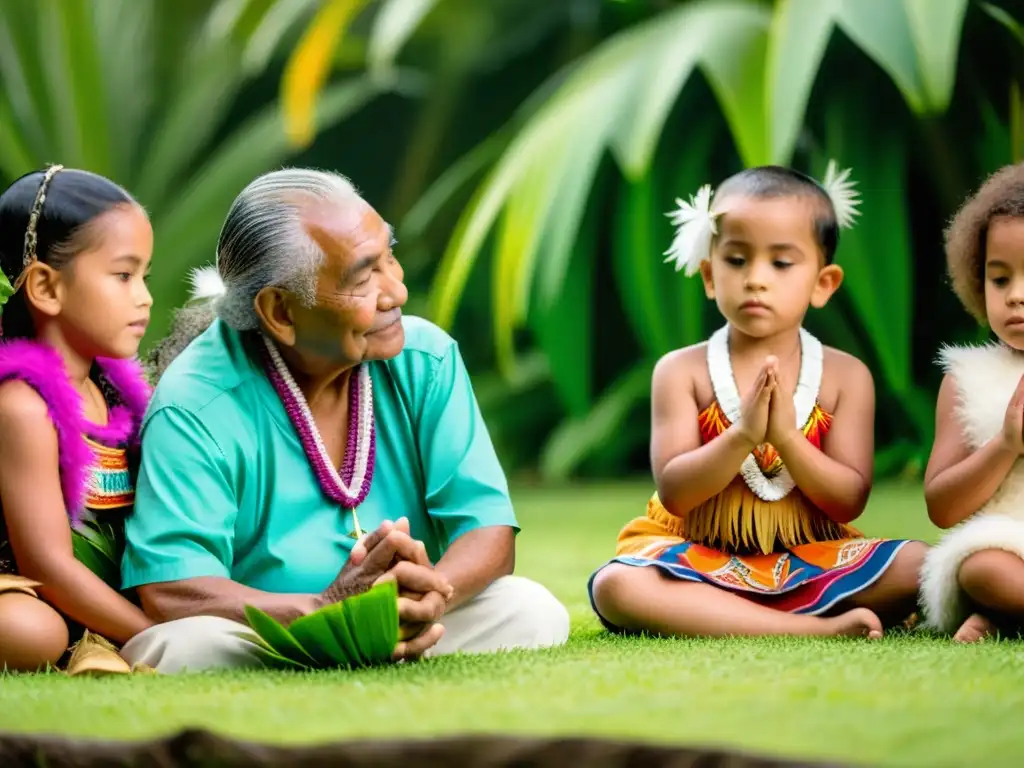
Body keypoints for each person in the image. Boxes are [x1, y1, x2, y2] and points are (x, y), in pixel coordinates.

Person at [118, 168, 569, 673]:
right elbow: (173, 590)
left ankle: (394, 646)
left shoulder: (427, 358)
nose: (395, 291)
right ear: (281, 312)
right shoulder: (194, 404)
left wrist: (428, 601)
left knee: (531, 611)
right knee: (186, 648)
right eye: (362, 277)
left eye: (389, 258)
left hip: (413, 617)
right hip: (274, 635)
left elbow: (487, 529)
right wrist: (326, 610)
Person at [587, 163, 927, 639]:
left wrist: (787, 437)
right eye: (737, 260)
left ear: (822, 283)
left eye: (781, 263)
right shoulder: (680, 371)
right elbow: (676, 493)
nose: (756, 279)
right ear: (708, 275)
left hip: (809, 557)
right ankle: (810, 628)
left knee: (924, 565)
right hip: (697, 559)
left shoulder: (846, 376)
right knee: (619, 585)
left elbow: (848, 500)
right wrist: (742, 434)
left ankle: (745, 616)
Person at [0, 165, 155, 673]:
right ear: (46, 286)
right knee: (33, 631)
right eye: (123, 275)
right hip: (26, 586)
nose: (145, 297)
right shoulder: (22, 406)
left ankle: (95, 634)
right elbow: (46, 565)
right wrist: (154, 635)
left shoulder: (115, 397)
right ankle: (92, 637)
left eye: (144, 276)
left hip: (95, 592)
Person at [920, 162, 1024, 643]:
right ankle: (1004, 609)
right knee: (982, 570)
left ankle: (1004, 621)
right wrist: (1005, 444)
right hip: (1011, 545)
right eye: (1000, 279)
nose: (1016, 297)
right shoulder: (967, 378)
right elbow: (942, 507)